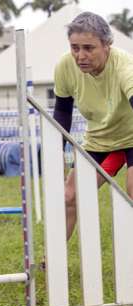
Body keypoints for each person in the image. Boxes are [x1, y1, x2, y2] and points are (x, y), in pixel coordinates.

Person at [53, 12, 133, 241]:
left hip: (132, 137)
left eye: (89, 48)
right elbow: (62, 111)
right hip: (99, 141)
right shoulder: (65, 67)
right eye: (75, 47)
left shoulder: (125, 66)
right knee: (70, 196)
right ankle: (52, 261)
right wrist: (57, 149)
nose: (81, 56)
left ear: (107, 45)